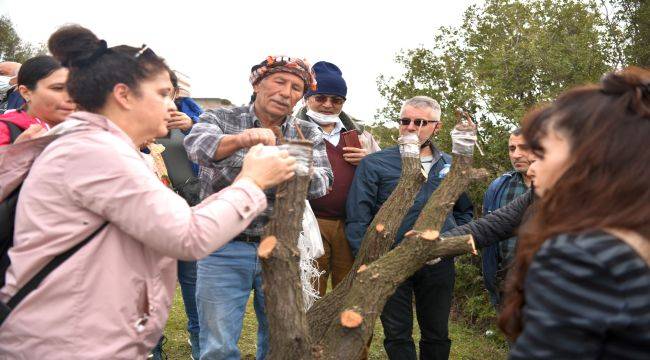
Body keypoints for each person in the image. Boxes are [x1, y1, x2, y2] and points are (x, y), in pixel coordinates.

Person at [0, 25, 296, 359]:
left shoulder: (106, 147)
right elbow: (189, 236)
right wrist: (252, 182)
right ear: (123, 95)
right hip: (68, 341)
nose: (171, 106)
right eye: (161, 93)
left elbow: (176, 220)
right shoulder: (95, 152)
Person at [184, 55, 333, 360]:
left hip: (281, 250)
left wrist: (254, 166)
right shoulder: (220, 118)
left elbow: (321, 184)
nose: (286, 92)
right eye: (279, 82)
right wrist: (244, 141)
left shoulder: (307, 132)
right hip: (223, 246)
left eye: (295, 87)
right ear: (257, 84)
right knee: (218, 346)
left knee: (280, 340)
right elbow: (198, 149)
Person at [498, 67, 650, 359]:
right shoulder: (632, 236)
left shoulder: (582, 257)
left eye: (541, 153)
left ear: (588, 159)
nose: (532, 167)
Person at [346, 96, 473, 360]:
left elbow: (464, 211)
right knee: (397, 332)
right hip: (391, 260)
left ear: (436, 127)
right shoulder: (375, 163)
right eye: (405, 121)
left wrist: (449, 241)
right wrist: (369, 260)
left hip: (436, 260)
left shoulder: (451, 165)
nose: (411, 127)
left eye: (420, 122)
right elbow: (358, 217)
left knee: (436, 332)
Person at [295, 61, 380, 296]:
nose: (327, 105)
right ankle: (309, 334)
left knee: (351, 291)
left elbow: (383, 177)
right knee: (310, 291)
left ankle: (349, 334)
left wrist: (368, 163)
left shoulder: (361, 136)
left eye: (336, 100)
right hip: (309, 223)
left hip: (352, 224)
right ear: (306, 98)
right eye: (320, 97)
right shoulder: (292, 131)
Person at [480, 128, 533, 307]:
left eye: (523, 147)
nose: (516, 155)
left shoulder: (560, 186)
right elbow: (486, 229)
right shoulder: (498, 187)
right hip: (507, 284)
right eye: (512, 149)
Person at [0, 56, 75, 146]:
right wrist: (16, 153)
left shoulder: (79, 130)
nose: (70, 97)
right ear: (26, 92)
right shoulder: (5, 129)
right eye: (58, 88)